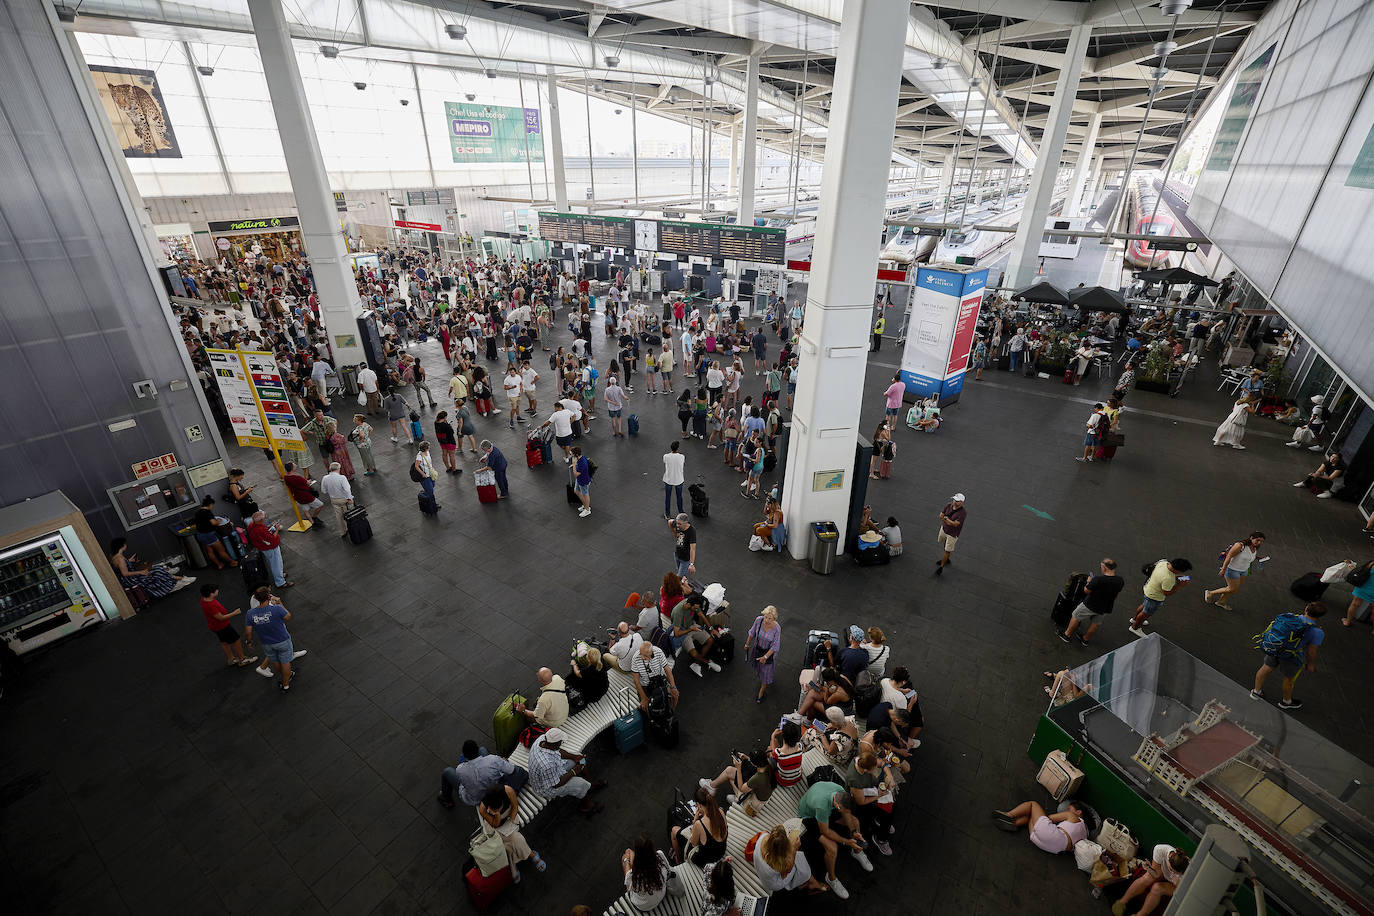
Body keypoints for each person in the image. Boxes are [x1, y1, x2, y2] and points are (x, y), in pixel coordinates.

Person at [795, 780, 869, 898]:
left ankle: (857, 851)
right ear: (837, 806)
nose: (845, 813)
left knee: (855, 822)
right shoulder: (822, 807)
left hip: (826, 810)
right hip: (810, 817)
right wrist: (846, 841)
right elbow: (825, 831)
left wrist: (854, 832)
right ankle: (831, 878)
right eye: (843, 810)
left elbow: (847, 815)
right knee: (832, 848)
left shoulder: (840, 792)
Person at [1252, 602, 1326, 710]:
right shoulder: (1317, 632)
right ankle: (1286, 702)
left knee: (1266, 667)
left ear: (1306, 609)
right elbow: (1311, 651)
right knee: (1288, 679)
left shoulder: (1289, 616)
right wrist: (1310, 664)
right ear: (1320, 616)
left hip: (1276, 648)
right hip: (1292, 656)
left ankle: (1256, 691)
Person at [527, 728, 604, 817]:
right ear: (554, 744)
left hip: (554, 769)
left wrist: (574, 757)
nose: (561, 744)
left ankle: (591, 783)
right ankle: (587, 806)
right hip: (547, 786)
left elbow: (558, 751)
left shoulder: (542, 739)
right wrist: (574, 771)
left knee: (580, 758)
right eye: (560, 742)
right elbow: (556, 783)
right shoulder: (546, 764)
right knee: (581, 784)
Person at [478, 785, 545, 883]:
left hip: (510, 819)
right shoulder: (483, 809)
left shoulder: (508, 791)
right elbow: (495, 824)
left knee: (511, 839)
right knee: (514, 839)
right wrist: (496, 814)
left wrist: (511, 823)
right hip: (494, 826)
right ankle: (531, 854)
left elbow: (515, 807)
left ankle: (513, 864)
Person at [438, 739, 523, 809]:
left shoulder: (460, 769)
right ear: (477, 751)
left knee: (447, 771)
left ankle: (446, 799)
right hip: (495, 789)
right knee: (483, 750)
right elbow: (511, 770)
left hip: (477, 800)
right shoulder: (493, 760)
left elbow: (463, 779)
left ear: (465, 756)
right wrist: (503, 761)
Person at [1112, 846, 1191, 916]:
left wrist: (1178, 884)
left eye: (1175, 873)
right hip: (1162, 873)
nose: (1172, 873)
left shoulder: (1188, 872)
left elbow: (1184, 893)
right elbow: (1156, 875)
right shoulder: (1161, 849)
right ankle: (1122, 902)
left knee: (1157, 888)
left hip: (1180, 885)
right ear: (1169, 858)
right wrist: (1149, 868)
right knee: (1147, 877)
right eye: (1171, 869)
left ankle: (1140, 915)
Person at [1060, 558, 1123, 646]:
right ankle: (1085, 639)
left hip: (1091, 604)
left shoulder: (1098, 579)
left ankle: (1067, 635)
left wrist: (1089, 582)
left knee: (1076, 615)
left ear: (1104, 567)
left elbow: (1086, 591)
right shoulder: (1120, 580)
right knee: (1096, 623)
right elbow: (1116, 593)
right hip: (1106, 607)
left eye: (1101, 566)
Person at [244, 591, 297, 693]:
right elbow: (288, 616)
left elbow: (248, 632)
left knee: (275, 661)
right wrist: (280, 603)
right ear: (269, 597)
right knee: (285, 662)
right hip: (282, 641)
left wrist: (249, 641)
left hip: (267, 643)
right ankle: (286, 684)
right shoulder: (276, 609)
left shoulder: (250, 613)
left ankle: (285, 677)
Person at [846, 751, 896, 856]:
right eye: (873, 769)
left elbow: (882, 763)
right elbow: (861, 801)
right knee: (887, 814)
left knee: (888, 810)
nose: (875, 770)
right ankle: (881, 839)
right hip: (861, 802)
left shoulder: (863, 759)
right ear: (865, 770)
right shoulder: (855, 780)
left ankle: (882, 822)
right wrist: (879, 795)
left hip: (870, 789)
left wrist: (890, 776)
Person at [753, 823, 826, 895]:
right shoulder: (778, 864)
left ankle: (808, 882)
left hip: (760, 868)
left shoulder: (764, 836)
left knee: (797, 858)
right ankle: (811, 882)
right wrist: (794, 849)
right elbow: (785, 873)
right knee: (799, 860)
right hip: (774, 883)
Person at [1128, 558, 1194, 637]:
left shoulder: (1163, 562)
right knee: (1146, 613)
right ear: (1177, 570)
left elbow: (1163, 575)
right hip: (1155, 597)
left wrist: (1175, 576)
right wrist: (1179, 586)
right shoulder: (1168, 579)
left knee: (1144, 606)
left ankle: (1135, 619)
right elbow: (1166, 593)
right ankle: (1135, 627)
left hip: (1149, 589)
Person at [992, 800, 1087, 854]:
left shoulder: (1073, 816)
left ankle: (1009, 815)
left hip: (1051, 835)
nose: (1067, 810)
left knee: (1032, 804)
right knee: (1031, 816)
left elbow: (1050, 818)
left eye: (1069, 809)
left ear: (1078, 812)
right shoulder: (1084, 834)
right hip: (1051, 847)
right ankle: (1014, 824)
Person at [1204, 532, 1266, 611]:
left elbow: (1247, 555)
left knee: (1234, 589)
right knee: (1231, 588)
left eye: (1261, 541)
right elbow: (1229, 557)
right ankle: (1210, 593)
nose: (1259, 543)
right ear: (1251, 538)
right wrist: (1223, 569)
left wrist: (1258, 558)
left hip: (1244, 570)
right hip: (1232, 570)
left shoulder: (1255, 547)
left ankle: (1221, 602)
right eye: (1257, 540)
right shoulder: (1240, 546)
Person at [109, 538, 189, 598]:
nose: (126, 545)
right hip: (132, 580)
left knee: (156, 569)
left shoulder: (115, 557)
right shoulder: (120, 558)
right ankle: (177, 580)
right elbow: (125, 573)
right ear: (122, 546)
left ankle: (178, 578)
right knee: (157, 571)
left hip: (127, 580)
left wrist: (129, 561)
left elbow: (121, 567)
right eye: (125, 544)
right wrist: (141, 572)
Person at [199, 584, 255, 668]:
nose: (218, 591)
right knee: (236, 640)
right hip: (222, 626)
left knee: (224, 642)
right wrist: (234, 613)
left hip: (214, 626)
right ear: (211, 594)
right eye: (216, 590)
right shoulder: (211, 605)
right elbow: (220, 618)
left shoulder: (204, 600)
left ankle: (231, 659)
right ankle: (242, 659)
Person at [669, 787, 727, 868]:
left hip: (707, 860)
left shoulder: (699, 824)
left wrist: (695, 820)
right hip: (721, 851)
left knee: (674, 831)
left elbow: (693, 843)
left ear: (698, 805)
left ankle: (679, 860)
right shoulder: (720, 811)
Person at [669, 593, 720, 678]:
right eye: (695, 608)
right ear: (689, 605)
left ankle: (696, 664)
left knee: (710, 640)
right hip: (683, 632)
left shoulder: (694, 603)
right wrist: (691, 629)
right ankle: (708, 663)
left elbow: (701, 615)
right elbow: (676, 633)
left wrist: (711, 629)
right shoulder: (678, 612)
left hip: (692, 626)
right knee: (694, 654)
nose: (696, 609)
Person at [621, 836, 673, 911]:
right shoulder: (660, 855)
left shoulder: (634, 875)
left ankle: (627, 860)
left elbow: (629, 885)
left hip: (643, 906)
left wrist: (626, 861)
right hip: (661, 894)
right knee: (629, 852)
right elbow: (668, 869)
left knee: (626, 856)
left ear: (638, 855)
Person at [514, 666, 569, 738]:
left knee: (531, 717)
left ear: (540, 680)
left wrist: (523, 710)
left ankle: (529, 725)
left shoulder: (543, 700)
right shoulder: (557, 678)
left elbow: (536, 715)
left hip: (555, 722)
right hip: (565, 712)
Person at [245, 511, 292, 588]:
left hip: (264, 548)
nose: (265, 518)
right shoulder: (261, 530)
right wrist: (276, 529)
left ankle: (279, 574)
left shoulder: (252, 525)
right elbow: (272, 538)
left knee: (272, 563)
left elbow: (264, 533)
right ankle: (280, 582)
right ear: (260, 520)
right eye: (264, 518)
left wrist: (270, 526)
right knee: (276, 564)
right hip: (271, 548)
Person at [630, 640, 679, 712]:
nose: (642, 657)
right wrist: (643, 697)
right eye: (641, 654)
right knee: (645, 706)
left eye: (645, 656)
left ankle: (671, 712)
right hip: (645, 685)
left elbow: (667, 670)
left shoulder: (658, 652)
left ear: (652, 653)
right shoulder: (636, 658)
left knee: (675, 695)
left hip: (660, 680)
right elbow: (636, 680)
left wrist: (673, 686)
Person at [192, 495, 238, 570]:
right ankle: (232, 562)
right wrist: (218, 521)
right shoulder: (207, 512)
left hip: (200, 535)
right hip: (209, 535)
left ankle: (219, 565)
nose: (212, 507)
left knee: (210, 551)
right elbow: (213, 523)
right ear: (210, 504)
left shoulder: (198, 512)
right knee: (221, 550)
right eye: (212, 505)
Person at [282, 461, 325, 527]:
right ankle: (314, 517)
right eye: (294, 465)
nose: (295, 465)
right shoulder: (298, 478)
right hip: (306, 495)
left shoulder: (286, 478)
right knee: (320, 505)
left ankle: (312, 522)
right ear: (292, 468)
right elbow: (307, 483)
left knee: (306, 510)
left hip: (298, 497)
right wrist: (309, 481)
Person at [318, 462, 355, 539]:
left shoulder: (325, 478)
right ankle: (352, 530)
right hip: (344, 500)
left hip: (334, 500)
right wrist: (350, 498)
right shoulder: (342, 478)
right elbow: (347, 490)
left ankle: (343, 532)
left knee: (339, 517)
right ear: (338, 469)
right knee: (349, 515)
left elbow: (323, 491)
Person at [935, 493, 966, 576]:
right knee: (944, 543)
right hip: (944, 529)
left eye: (957, 501)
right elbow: (941, 516)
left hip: (952, 534)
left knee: (947, 550)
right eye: (954, 499)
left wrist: (946, 519)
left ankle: (941, 566)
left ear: (961, 502)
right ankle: (946, 559)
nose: (954, 501)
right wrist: (948, 521)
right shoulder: (949, 505)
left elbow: (955, 524)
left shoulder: (962, 513)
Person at [1342, 562, 1374, 628]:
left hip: (1362, 588)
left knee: (1355, 604)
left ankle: (1347, 622)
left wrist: (1352, 568)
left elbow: (1361, 572)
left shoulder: (1371, 564)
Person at [571, 446, 592, 518]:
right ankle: (585, 505)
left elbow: (576, 474)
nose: (571, 455)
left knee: (585, 494)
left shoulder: (582, 463)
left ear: (576, 454)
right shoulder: (580, 458)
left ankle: (587, 509)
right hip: (579, 479)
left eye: (572, 453)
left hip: (583, 481)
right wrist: (575, 464)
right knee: (576, 491)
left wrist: (574, 465)